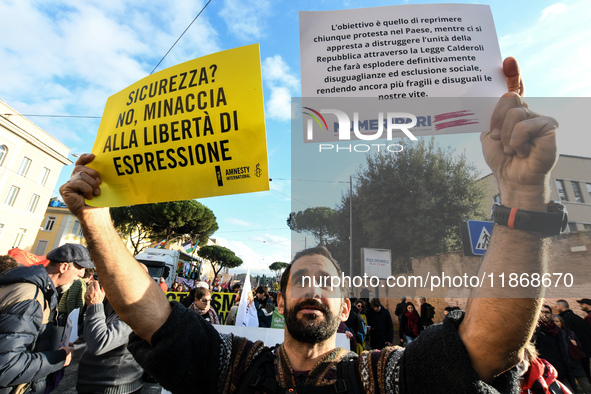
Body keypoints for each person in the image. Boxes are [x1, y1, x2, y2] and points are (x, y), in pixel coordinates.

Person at [59, 58, 560, 392]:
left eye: (328, 284)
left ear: (345, 308)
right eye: (304, 280)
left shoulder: (381, 376)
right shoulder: (234, 367)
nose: (315, 290)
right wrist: (97, 220)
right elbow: (146, 311)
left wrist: (521, 195)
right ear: (280, 301)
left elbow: (487, 345)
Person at [0, 243, 94, 393]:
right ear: (63, 267)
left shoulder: (38, 290)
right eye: (79, 270)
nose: (81, 276)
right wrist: (59, 357)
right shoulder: (31, 297)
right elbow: (6, 366)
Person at [76, 277, 144, 394]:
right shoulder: (116, 307)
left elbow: (98, 343)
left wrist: (94, 305)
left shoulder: (134, 313)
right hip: (97, 384)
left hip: (113, 387)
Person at [553, 314, 591, 393]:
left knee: (586, 385)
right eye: (553, 322)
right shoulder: (552, 335)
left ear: (562, 323)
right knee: (569, 389)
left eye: (557, 321)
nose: (555, 323)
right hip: (563, 365)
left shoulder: (569, 333)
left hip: (575, 363)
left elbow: (579, 346)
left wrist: (576, 344)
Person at [557, 299, 591, 381]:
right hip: (585, 351)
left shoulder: (588, 317)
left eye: (582, 304)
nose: (580, 306)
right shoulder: (578, 318)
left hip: (579, 352)